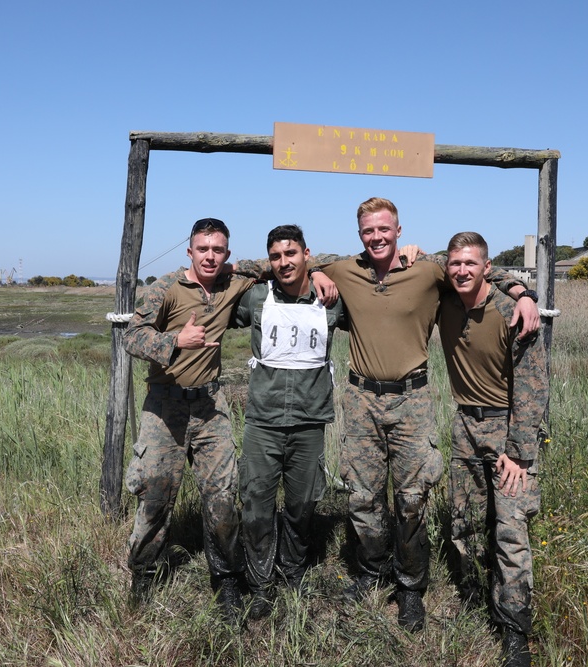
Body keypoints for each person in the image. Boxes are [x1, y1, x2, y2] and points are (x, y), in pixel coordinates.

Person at [313, 197, 539, 632]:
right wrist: (319, 271)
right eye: (367, 231)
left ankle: (411, 585)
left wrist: (524, 293)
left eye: (384, 229)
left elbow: (479, 269)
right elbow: (295, 262)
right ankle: (372, 569)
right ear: (359, 233)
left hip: (412, 400)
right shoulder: (345, 267)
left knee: (412, 498)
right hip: (360, 399)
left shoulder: (429, 268)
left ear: (398, 230)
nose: (376, 237)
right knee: (361, 494)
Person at [122, 217, 255, 623]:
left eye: (218, 250)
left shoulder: (235, 280)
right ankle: (144, 577)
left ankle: (227, 579)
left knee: (222, 497)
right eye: (203, 249)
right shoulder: (166, 287)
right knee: (156, 496)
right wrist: (175, 341)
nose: (210, 256)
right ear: (190, 251)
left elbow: (287, 262)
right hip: (165, 406)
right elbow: (131, 336)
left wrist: (321, 272)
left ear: (227, 254)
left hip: (211, 407)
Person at [437, 232, 548, 667]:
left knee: (510, 530)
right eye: (454, 264)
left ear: (487, 268)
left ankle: (515, 628)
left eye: (471, 263)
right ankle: (474, 600)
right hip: (465, 423)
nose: (461, 271)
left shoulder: (510, 312)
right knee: (463, 521)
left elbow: (534, 386)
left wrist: (520, 451)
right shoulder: (446, 298)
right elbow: (421, 259)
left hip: (507, 428)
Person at [232, 224, 345, 619]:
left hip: (310, 420)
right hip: (262, 421)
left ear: (306, 254)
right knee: (257, 503)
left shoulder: (330, 298)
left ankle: (292, 571)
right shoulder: (256, 297)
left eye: (291, 254)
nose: (284, 262)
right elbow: (227, 274)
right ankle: (261, 582)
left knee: (302, 504)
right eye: (276, 256)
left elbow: (356, 265)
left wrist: (321, 273)